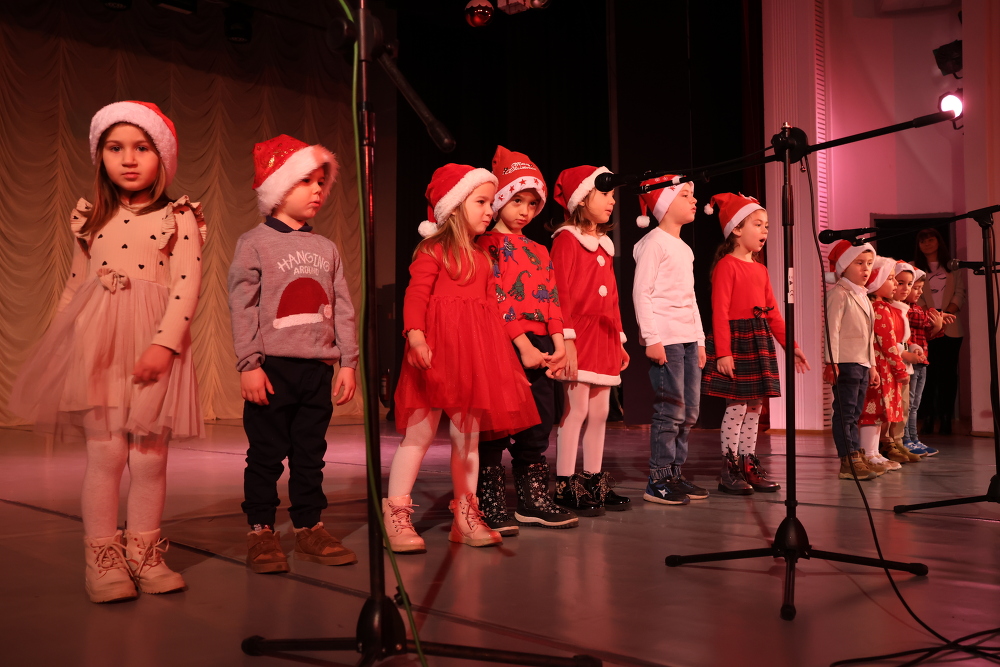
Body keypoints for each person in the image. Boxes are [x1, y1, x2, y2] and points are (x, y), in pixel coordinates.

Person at [9, 101, 204, 602]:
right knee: (106, 454)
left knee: (149, 458)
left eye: (142, 148)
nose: (129, 159)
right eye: (115, 148)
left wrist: (164, 344)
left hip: (154, 344)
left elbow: (186, 285)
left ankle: (144, 553)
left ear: (163, 157)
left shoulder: (180, 216)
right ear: (101, 157)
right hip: (98, 347)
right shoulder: (90, 217)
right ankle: (102, 558)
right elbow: (75, 287)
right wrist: (60, 344)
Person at [385, 163, 540, 553]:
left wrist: (512, 356)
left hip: (473, 357)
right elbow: (416, 296)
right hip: (434, 352)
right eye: (481, 202)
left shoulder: (484, 258)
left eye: (491, 203)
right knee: (419, 434)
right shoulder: (432, 251)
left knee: (467, 438)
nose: (490, 210)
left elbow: (494, 311)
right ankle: (396, 514)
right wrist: (416, 337)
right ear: (454, 208)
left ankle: (465, 515)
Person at [229, 134, 359, 574]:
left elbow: (343, 307)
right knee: (265, 455)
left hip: (316, 371)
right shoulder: (255, 242)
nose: (318, 190)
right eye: (306, 181)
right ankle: (261, 531)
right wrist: (249, 364)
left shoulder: (327, 248)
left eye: (321, 181)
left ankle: (309, 527)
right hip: (272, 369)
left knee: (309, 455)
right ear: (280, 186)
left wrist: (348, 362)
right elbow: (243, 306)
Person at [475, 146, 578, 533]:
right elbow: (497, 298)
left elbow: (551, 298)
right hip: (506, 344)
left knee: (539, 423)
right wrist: (523, 347)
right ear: (500, 198)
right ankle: (490, 501)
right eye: (517, 200)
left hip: (542, 345)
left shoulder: (540, 249)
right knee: (496, 425)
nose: (525, 211)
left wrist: (560, 343)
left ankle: (533, 500)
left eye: (533, 204)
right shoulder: (486, 244)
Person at [702, 193, 809, 493]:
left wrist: (792, 345)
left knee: (755, 408)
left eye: (767, 226)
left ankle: (748, 462)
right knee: (736, 407)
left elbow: (772, 313)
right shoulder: (727, 265)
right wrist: (723, 352)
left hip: (758, 338)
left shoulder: (761, 269)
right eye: (758, 224)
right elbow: (720, 312)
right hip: (736, 341)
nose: (764, 231)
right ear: (736, 229)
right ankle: (729, 468)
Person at [549, 165, 631, 515]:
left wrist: (620, 338)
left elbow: (612, 297)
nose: (612, 201)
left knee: (600, 411)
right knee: (577, 409)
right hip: (578, 334)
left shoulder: (605, 246)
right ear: (582, 198)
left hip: (604, 335)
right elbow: (560, 292)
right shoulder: (567, 240)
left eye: (613, 195)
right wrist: (566, 338)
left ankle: (593, 479)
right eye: (605, 194)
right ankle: (565, 483)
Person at [631, 175, 707, 506]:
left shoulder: (685, 249)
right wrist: (651, 337)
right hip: (667, 340)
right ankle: (658, 479)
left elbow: (690, 299)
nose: (694, 200)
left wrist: (700, 340)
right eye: (686, 195)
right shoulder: (653, 243)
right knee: (670, 410)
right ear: (665, 204)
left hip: (688, 340)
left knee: (689, 411)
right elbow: (642, 292)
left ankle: (675, 473)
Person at [822, 241, 880, 480]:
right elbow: (831, 330)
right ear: (844, 266)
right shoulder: (839, 294)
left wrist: (872, 366)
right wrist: (831, 362)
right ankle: (848, 459)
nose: (866, 269)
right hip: (845, 361)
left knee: (855, 412)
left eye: (869, 264)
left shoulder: (863, 295)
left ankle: (856, 453)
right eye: (859, 263)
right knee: (845, 412)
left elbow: (869, 336)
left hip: (862, 362)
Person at [858, 257, 909, 474]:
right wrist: (900, 369)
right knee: (873, 412)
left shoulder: (882, 306)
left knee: (878, 414)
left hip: (882, 367)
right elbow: (888, 343)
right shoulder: (879, 308)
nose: (895, 283)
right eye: (890, 279)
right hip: (880, 367)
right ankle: (869, 453)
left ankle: (874, 452)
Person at [912, 228, 965, 435]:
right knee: (927, 374)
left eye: (930, 240)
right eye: (922, 241)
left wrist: (945, 315)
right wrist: (932, 316)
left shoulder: (952, 266)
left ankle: (945, 418)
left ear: (938, 241)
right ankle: (927, 417)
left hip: (951, 325)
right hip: (925, 326)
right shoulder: (914, 267)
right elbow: (916, 296)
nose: (927, 244)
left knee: (948, 375)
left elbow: (960, 293)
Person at [904, 269, 953, 456]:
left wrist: (938, 324)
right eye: (915, 287)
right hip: (910, 362)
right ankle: (906, 439)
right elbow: (921, 320)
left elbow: (927, 334)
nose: (918, 292)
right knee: (908, 404)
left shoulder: (917, 308)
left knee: (915, 404)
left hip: (922, 362)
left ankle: (914, 438)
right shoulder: (906, 309)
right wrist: (936, 315)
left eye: (920, 288)